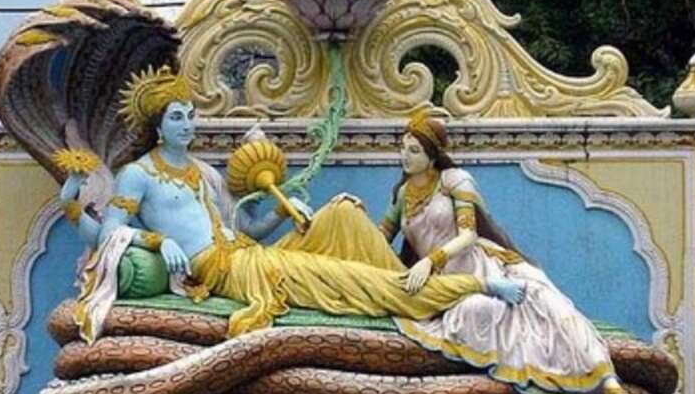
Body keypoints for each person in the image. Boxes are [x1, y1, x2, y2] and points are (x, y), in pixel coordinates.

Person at [56, 65, 526, 343]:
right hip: (232, 273)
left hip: (249, 255)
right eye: (177, 118)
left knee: (341, 213)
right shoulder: (138, 174)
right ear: (158, 126)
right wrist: (150, 238)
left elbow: (246, 231)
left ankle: (415, 286)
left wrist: (282, 213)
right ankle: (473, 288)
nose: (187, 125)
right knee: (349, 280)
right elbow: (108, 236)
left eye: (191, 115)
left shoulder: (205, 172)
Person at [381, 111, 638, 394]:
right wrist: (351, 223)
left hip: (483, 264)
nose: (405, 156)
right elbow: (382, 235)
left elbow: (468, 235)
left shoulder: (454, 181)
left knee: (547, 300)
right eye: (403, 148)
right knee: (481, 313)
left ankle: (604, 377)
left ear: (432, 156)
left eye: (413, 150)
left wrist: (430, 260)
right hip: (445, 285)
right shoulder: (403, 195)